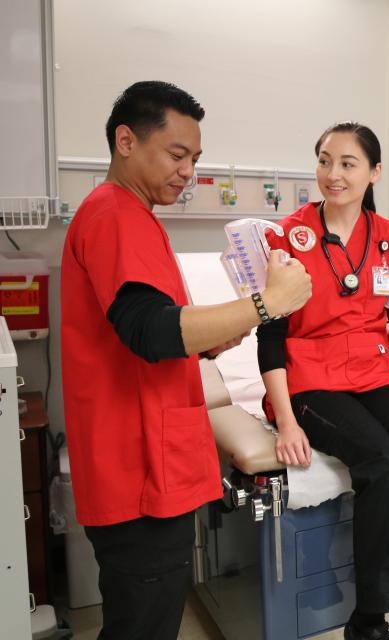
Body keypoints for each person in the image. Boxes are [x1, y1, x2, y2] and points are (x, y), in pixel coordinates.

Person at [60, 81, 312, 640]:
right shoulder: (115, 214)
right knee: (143, 624)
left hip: (145, 461)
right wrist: (267, 303)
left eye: (194, 159)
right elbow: (151, 331)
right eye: (177, 154)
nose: (188, 171)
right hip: (138, 471)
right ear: (126, 141)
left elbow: (154, 325)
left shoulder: (132, 216)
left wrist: (211, 337)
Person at [257, 121, 389, 640]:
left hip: (372, 374)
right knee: (384, 463)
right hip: (310, 381)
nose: (333, 174)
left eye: (348, 163)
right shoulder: (286, 237)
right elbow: (270, 337)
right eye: (325, 160)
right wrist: (285, 420)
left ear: (374, 172)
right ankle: (370, 619)